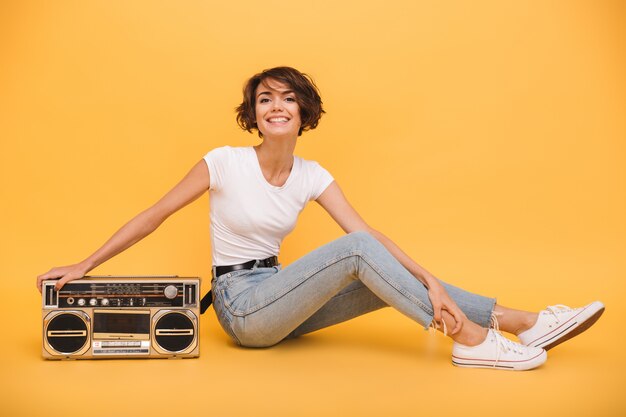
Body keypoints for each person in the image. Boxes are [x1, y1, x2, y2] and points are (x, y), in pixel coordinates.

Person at [36, 66, 604, 370]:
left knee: (377, 270)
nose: (275, 106)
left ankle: (525, 322)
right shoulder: (223, 162)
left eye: (287, 98)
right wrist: (85, 264)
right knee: (358, 254)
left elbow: (368, 234)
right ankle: (475, 341)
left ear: (303, 112)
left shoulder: (312, 173)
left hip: (284, 298)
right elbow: (154, 215)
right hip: (241, 306)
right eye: (264, 99)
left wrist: (429, 279)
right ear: (253, 115)